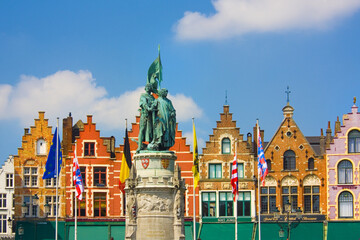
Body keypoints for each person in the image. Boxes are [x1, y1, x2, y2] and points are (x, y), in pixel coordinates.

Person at [137, 84, 155, 153]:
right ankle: (139, 147)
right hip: (145, 114)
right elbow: (144, 103)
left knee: (151, 131)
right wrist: (148, 108)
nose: (148, 88)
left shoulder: (152, 97)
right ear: (145, 88)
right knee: (142, 130)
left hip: (151, 116)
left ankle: (150, 146)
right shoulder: (143, 95)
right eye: (147, 87)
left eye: (149, 87)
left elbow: (155, 104)